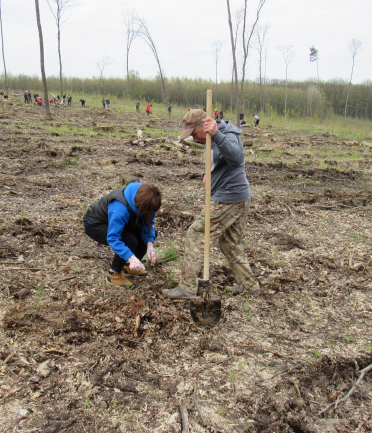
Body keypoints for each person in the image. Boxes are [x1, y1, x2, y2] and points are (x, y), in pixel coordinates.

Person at [162, 109, 260, 299]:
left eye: (194, 134)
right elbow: (221, 161)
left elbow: (237, 158)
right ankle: (249, 286)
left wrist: (216, 135)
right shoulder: (211, 138)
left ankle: (187, 288)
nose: (194, 138)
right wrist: (211, 174)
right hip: (237, 196)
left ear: (204, 126)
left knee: (196, 234)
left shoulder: (226, 135)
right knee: (229, 243)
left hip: (228, 197)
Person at [83, 183, 162, 289]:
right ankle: (114, 274)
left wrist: (149, 243)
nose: (150, 213)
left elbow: (147, 225)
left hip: (121, 222)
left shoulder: (150, 201)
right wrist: (130, 256)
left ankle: (129, 267)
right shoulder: (119, 208)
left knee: (149, 235)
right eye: (147, 212)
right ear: (139, 206)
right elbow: (113, 237)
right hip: (95, 224)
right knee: (129, 240)